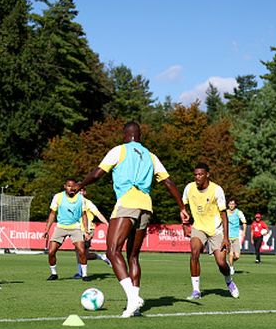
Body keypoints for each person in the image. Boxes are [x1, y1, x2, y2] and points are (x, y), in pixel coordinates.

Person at [79, 121, 189, 318]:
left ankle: (132, 297)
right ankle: (134, 307)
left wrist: (81, 184)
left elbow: (97, 173)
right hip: (146, 206)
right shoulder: (151, 156)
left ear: (125, 135)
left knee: (112, 251)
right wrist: (182, 207)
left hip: (127, 202)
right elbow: (168, 182)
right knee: (133, 256)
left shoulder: (119, 151)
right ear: (139, 136)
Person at [181, 163, 239, 300]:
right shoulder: (189, 188)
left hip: (216, 230)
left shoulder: (216, 190)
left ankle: (229, 281)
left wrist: (226, 237)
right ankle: (196, 291)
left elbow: (223, 214)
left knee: (221, 263)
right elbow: (182, 205)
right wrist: (184, 223)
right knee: (194, 252)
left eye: (200, 174)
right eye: (195, 175)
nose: (197, 177)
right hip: (198, 228)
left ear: (207, 174)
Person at [42, 178, 91, 281]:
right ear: (65, 186)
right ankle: (54, 273)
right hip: (61, 227)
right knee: (51, 252)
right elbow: (52, 213)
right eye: (69, 186)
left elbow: (84, 215)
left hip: (75, 228)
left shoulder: (80, 198)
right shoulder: (58, 197)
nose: (71, 188)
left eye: (73, 186)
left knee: (82, 251)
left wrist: (86, 231)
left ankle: (85, 275)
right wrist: (47, 230)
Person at [73, 188, 111, 279]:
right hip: (76, 230)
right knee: (78, 252)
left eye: (82, 190)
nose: (80, 192)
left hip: (88, 230)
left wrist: (107, 224)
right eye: (78, 191)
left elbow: (98, 214)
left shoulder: (88, 203)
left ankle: (101, 257)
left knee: (84, 254)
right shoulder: (72, 202)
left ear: (85, 192)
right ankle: (80, 272)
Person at [226, 199, 247, 275]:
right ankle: (231, 267)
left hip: (236, 237)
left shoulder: (238, 212)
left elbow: (244, 222)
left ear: (235, 205)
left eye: (233, 204)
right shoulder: (225, 212)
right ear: (228, 205)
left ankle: (230, 262)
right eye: (230, 204)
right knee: (231, 254)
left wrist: (244, 232)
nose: (231, 205)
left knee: (237, 256)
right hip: (228, 237)